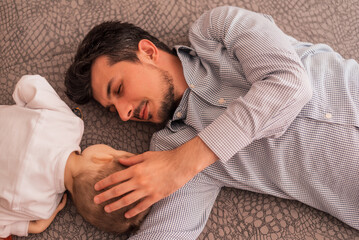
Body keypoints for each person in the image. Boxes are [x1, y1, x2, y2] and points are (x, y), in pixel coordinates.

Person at [65, 5, 359, 239]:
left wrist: (185, 161)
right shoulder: (168, 150)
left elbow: (291, 86)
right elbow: (167, 232)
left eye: (118, 90)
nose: (124, 113)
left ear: (148, 52)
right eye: (113, 110)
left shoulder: (215, 30)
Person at [0, 75, 149, 239]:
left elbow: (28, 84)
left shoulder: (69, 124)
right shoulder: (41, 207)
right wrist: (35, 226)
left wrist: (22, 111)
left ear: (102, 158)